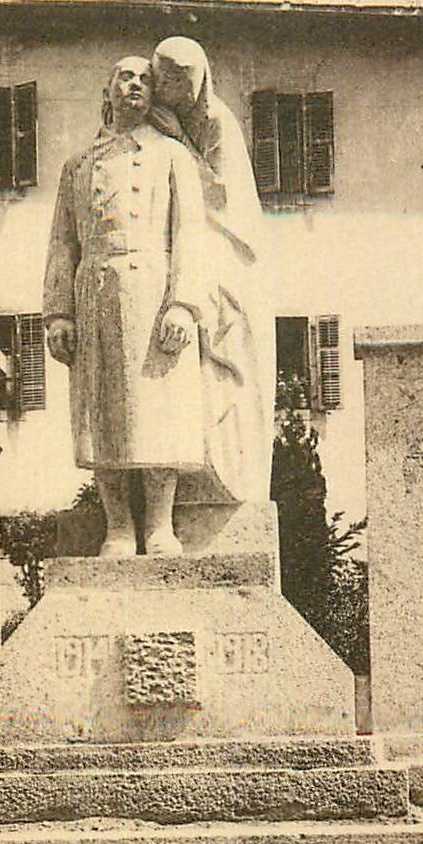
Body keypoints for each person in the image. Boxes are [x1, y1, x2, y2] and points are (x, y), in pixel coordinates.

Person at [43, 56, 212, 557]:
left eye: (144, 79)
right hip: (95, 292)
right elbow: (61, 242)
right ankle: (118, 526)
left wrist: (184, 304)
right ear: (109, 89)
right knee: (104, 416)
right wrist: (58, 313)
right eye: (125, 77)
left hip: (154, 294)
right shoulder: (78, 164)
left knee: (158, 411)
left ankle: (160, 526)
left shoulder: (172, 157)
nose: (135, 85)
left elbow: (191, 234)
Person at [149, 36, 274, 505]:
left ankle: (226, 471)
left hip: (224, 247)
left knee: (222, 350)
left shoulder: (217, 122)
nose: (169, 88)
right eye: (163, 78)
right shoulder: (153, 124)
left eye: (179, 79)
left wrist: (179, 142)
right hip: (176, 251)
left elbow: (223, 196)